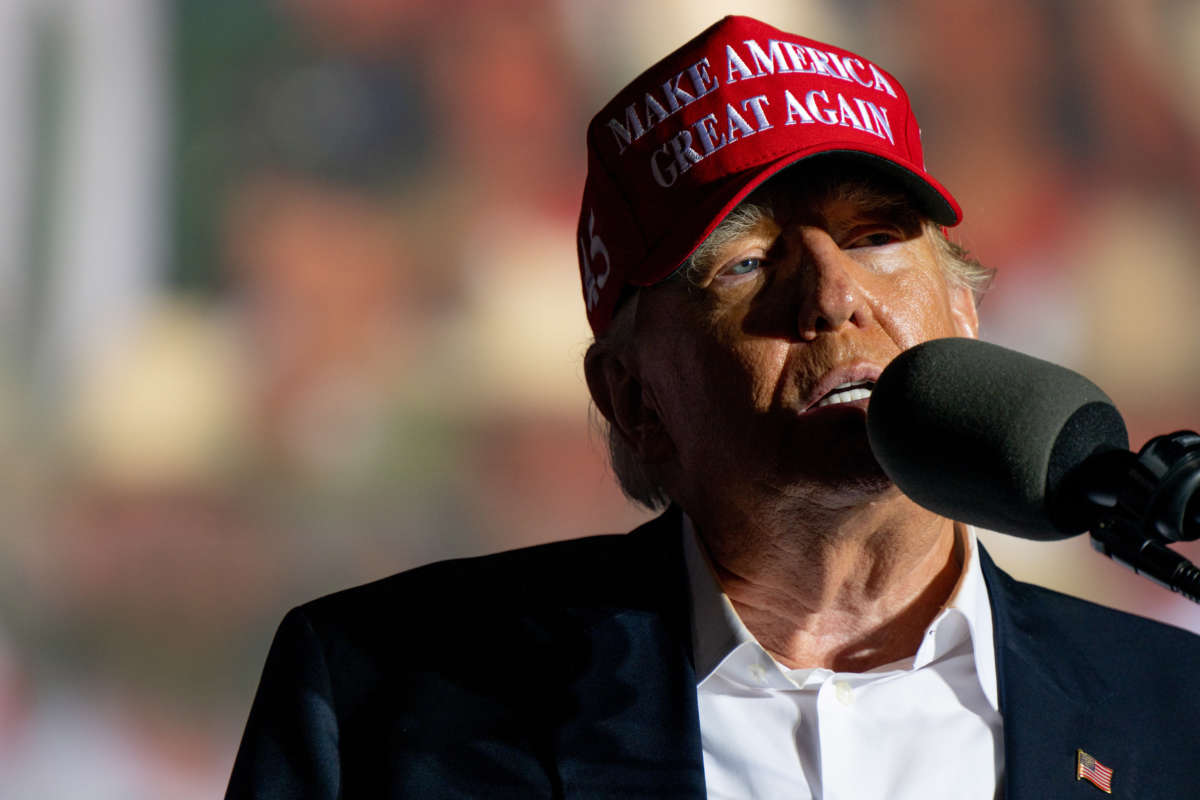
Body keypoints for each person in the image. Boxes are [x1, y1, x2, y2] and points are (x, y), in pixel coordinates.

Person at [225, 15, 1200, 799]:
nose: (830, 295)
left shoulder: (1174, 708)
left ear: (966, 313)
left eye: (874, 235)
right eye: (744, 262)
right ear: (633, 397)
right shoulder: (379, 699)